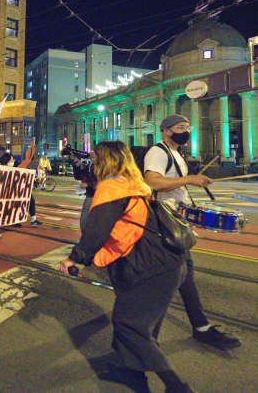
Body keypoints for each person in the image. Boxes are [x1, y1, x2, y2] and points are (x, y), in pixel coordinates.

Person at [59, 141, 193, 393]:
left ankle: (176, 387)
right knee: (142, 325)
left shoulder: (111, 187)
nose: (93, 164)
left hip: (148, 266)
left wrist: (74, 258)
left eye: (96, 159)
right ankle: (133, 374)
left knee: (128, 324)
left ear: (104, 161)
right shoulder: (133, 183)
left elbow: (96, 231)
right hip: (167, 262)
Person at [144, 114, 240, 351]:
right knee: (170, 279)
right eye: (180, 127)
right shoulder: (158, 152)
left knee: (184, 275)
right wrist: (189, 179)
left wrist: (191, 183)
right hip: (164, 222)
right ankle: (143, 340)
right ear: (166, 130)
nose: (185, 131)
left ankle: (200, 328)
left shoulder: (176, 153)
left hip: (175, 221)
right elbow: (152, 182)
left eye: (187, 127)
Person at [73, 151, 98, 232]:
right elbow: (79, 176)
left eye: (94, 151)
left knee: (85, 221)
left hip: (96, 196)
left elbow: (101, 181)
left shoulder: (101, 166)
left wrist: (88, 184)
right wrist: (76, 166)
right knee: (85, 222)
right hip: (90, 195)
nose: (90, 152)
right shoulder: (90, 165)